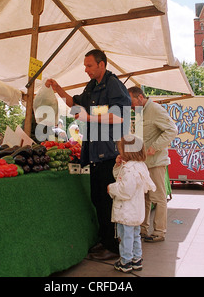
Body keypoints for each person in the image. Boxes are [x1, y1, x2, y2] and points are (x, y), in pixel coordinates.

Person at [45, 49, 131, 260]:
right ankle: (105, 240)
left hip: (110, 153)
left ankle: (112, 247)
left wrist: (90, 117)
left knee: (107, 200)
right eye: (85, 66)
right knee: (98, 198)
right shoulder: (91, 87)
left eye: (89, 65)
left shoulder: (113, 84)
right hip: (94, 152)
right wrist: (58, 89)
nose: (86, 70)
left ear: (102, 65)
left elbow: (121, 115)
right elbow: (75, 105)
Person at [128, 87, 177, 242]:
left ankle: (159, 231)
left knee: (158, 197)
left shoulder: (156, 109)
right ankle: (143, 228)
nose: (131, 106)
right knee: (145, 197)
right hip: (144, 163)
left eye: (131, 102)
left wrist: (154, 147)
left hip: (156, 162)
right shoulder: (140, 112)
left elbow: (172, 130)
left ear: (140, 97)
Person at [107, 135, 156, 273]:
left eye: (121, 150)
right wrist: (118, 165)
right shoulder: (140, 166)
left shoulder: (130, 170)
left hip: (126, 210)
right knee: (135, 235)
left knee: (125, 237)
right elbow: (119, 176)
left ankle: (125, 261)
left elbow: (125, 189)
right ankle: (137, 259)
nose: (119, 152)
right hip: (136, 210)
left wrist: (111, 188)